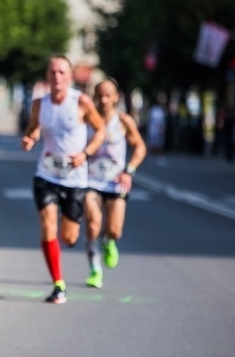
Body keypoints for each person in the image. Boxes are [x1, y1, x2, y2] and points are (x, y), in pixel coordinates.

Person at [21, 55, 106, 304]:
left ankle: (75, 249)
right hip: (46, 173)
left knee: (69, 237)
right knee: (48, 225)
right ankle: (59, 284)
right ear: (48, 76)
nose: (57, 77)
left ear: (69, 77)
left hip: (75, 179)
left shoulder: (80, 102)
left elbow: (100, 129)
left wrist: (86, 154)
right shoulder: (40, 104)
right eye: (53, 72)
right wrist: (31, 138)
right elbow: (33, 128)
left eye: (61, 72)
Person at [83, 78, 146, 288]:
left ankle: (109, 242)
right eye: (100, 95)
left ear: (116, 97)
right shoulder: (87, 119)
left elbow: (140, 147)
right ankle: (95, 270)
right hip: (90, 180)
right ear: (94, 97)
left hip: (115, 181)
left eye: (108, 95)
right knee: (93, 224)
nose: (104, 99)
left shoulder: (124, 121)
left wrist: (129, 171)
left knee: (115, 230)